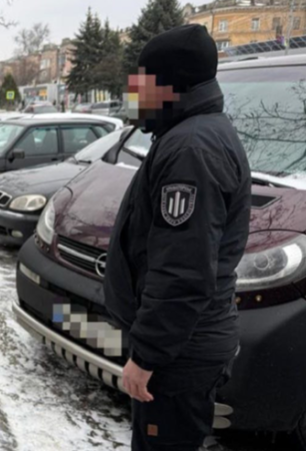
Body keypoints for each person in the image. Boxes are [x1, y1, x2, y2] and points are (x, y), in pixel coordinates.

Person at [103, 25, 251, 451]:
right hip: (183, 347)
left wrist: (147, 355)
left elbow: (182, 270)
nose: (134, 94)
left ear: (171, 84)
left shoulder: (191, 149)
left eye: (142, 83)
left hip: (179, 356)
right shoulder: (189, 134)